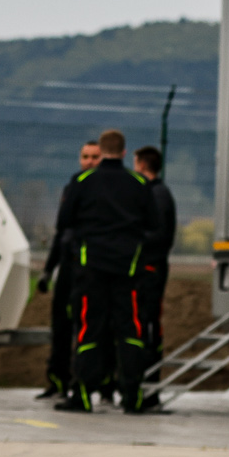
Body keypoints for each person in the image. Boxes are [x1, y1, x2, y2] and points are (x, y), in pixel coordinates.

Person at [53, 128, 158, 413]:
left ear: (101, 151)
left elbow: (64, 222)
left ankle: (84, 395)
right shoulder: (138, 183)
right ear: (124, 152)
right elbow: (153, 224)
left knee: (90, 330)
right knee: (131, 332)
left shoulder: (83, 181)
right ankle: (132, 396)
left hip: (92, 270)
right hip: (129, 270)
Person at [37, 140, 101, 401]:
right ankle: (57, 379)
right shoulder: (73, 185)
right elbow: (61, 231)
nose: (89, 161)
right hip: (67, 264)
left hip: (90, 267)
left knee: (86, 327)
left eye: (94, 157)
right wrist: (48, 269)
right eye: (85, 156)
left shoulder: (104, 189)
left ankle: (86, 383)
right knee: (60, 325)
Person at [131, 145, 176, 383]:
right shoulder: (157, 193)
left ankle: (149, 382)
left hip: (151, 268)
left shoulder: (156, 195)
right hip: (150, 267)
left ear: (142, 165)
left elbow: (158, 234)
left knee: (148, 325)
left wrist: (131, 236)